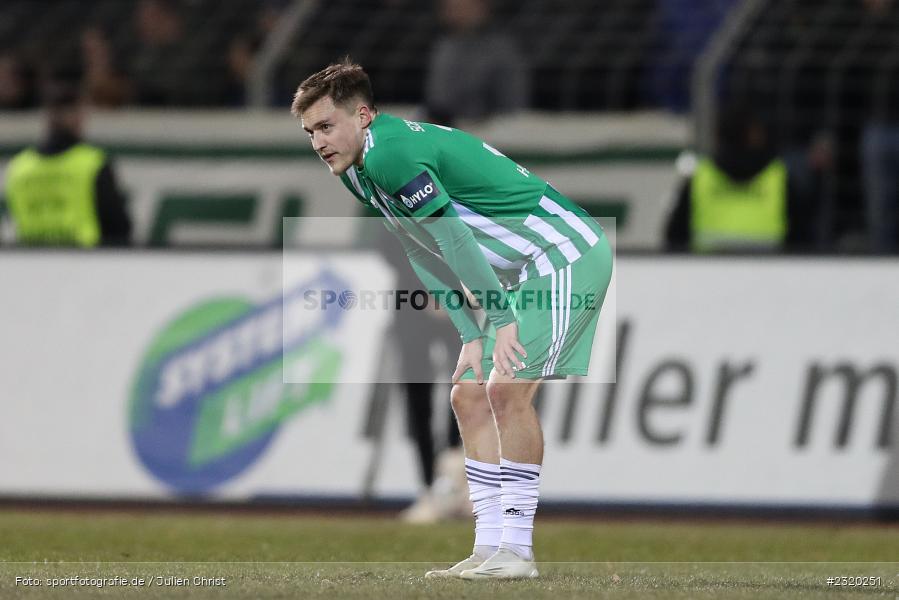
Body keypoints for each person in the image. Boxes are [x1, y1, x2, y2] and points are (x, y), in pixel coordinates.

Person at [291, 60, 613, 579]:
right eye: (310, 133)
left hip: (561, 254)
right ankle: (488, 547)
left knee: (506, 391)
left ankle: (518, 550)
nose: (319, 142)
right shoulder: (358, 172)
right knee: (467, 394)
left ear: (364, 115)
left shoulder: (391, 154)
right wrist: (469, 331)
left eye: (327, 126)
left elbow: (456, 239)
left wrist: (501, 316)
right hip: (519, 270)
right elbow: (420, 246)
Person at [665, 104, 816, 252]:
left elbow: (675, 237)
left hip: (709, 272)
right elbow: (802, 240)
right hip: (769, 272)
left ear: (718, 135)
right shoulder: (779, 177)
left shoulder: (700, 177)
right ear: (756, 135)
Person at [4, 80, 131, 246]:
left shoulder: (18, 168)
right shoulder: (92, 163)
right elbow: (118, 227)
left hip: (32, 262)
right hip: (85, 263)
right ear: (78, 116)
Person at [424, 0, 530, 126]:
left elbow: (512, 103)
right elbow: (436, 98)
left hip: (487, 129)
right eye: (449, 7)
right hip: (443, 127)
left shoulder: (501, 50)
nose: (455, 12)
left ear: (482, 8)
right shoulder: (443, 46)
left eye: (462, 7)